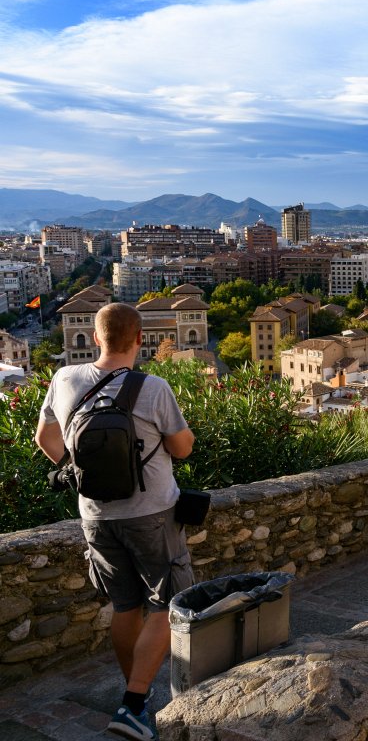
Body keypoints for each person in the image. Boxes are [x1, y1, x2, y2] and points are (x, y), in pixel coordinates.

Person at [35, 303, 194, 741]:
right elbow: (181, 449)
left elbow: (44, 438)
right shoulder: (154, 386)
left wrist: (78, 468)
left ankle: (134, 695)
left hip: (94, 514)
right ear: (139, 339)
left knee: (125, 605)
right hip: (151, 512)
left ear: (96, 336)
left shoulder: (64, 379)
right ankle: (134, 703)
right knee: (170, 602)